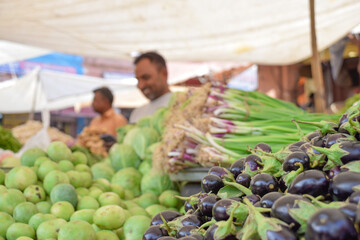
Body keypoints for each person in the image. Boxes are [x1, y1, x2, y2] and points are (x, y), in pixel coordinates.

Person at [129, 51, 172, 123]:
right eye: (138, 80)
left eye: (145, 77)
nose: (140, 86)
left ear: (164, 73)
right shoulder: (137, 113)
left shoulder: (182, 106)